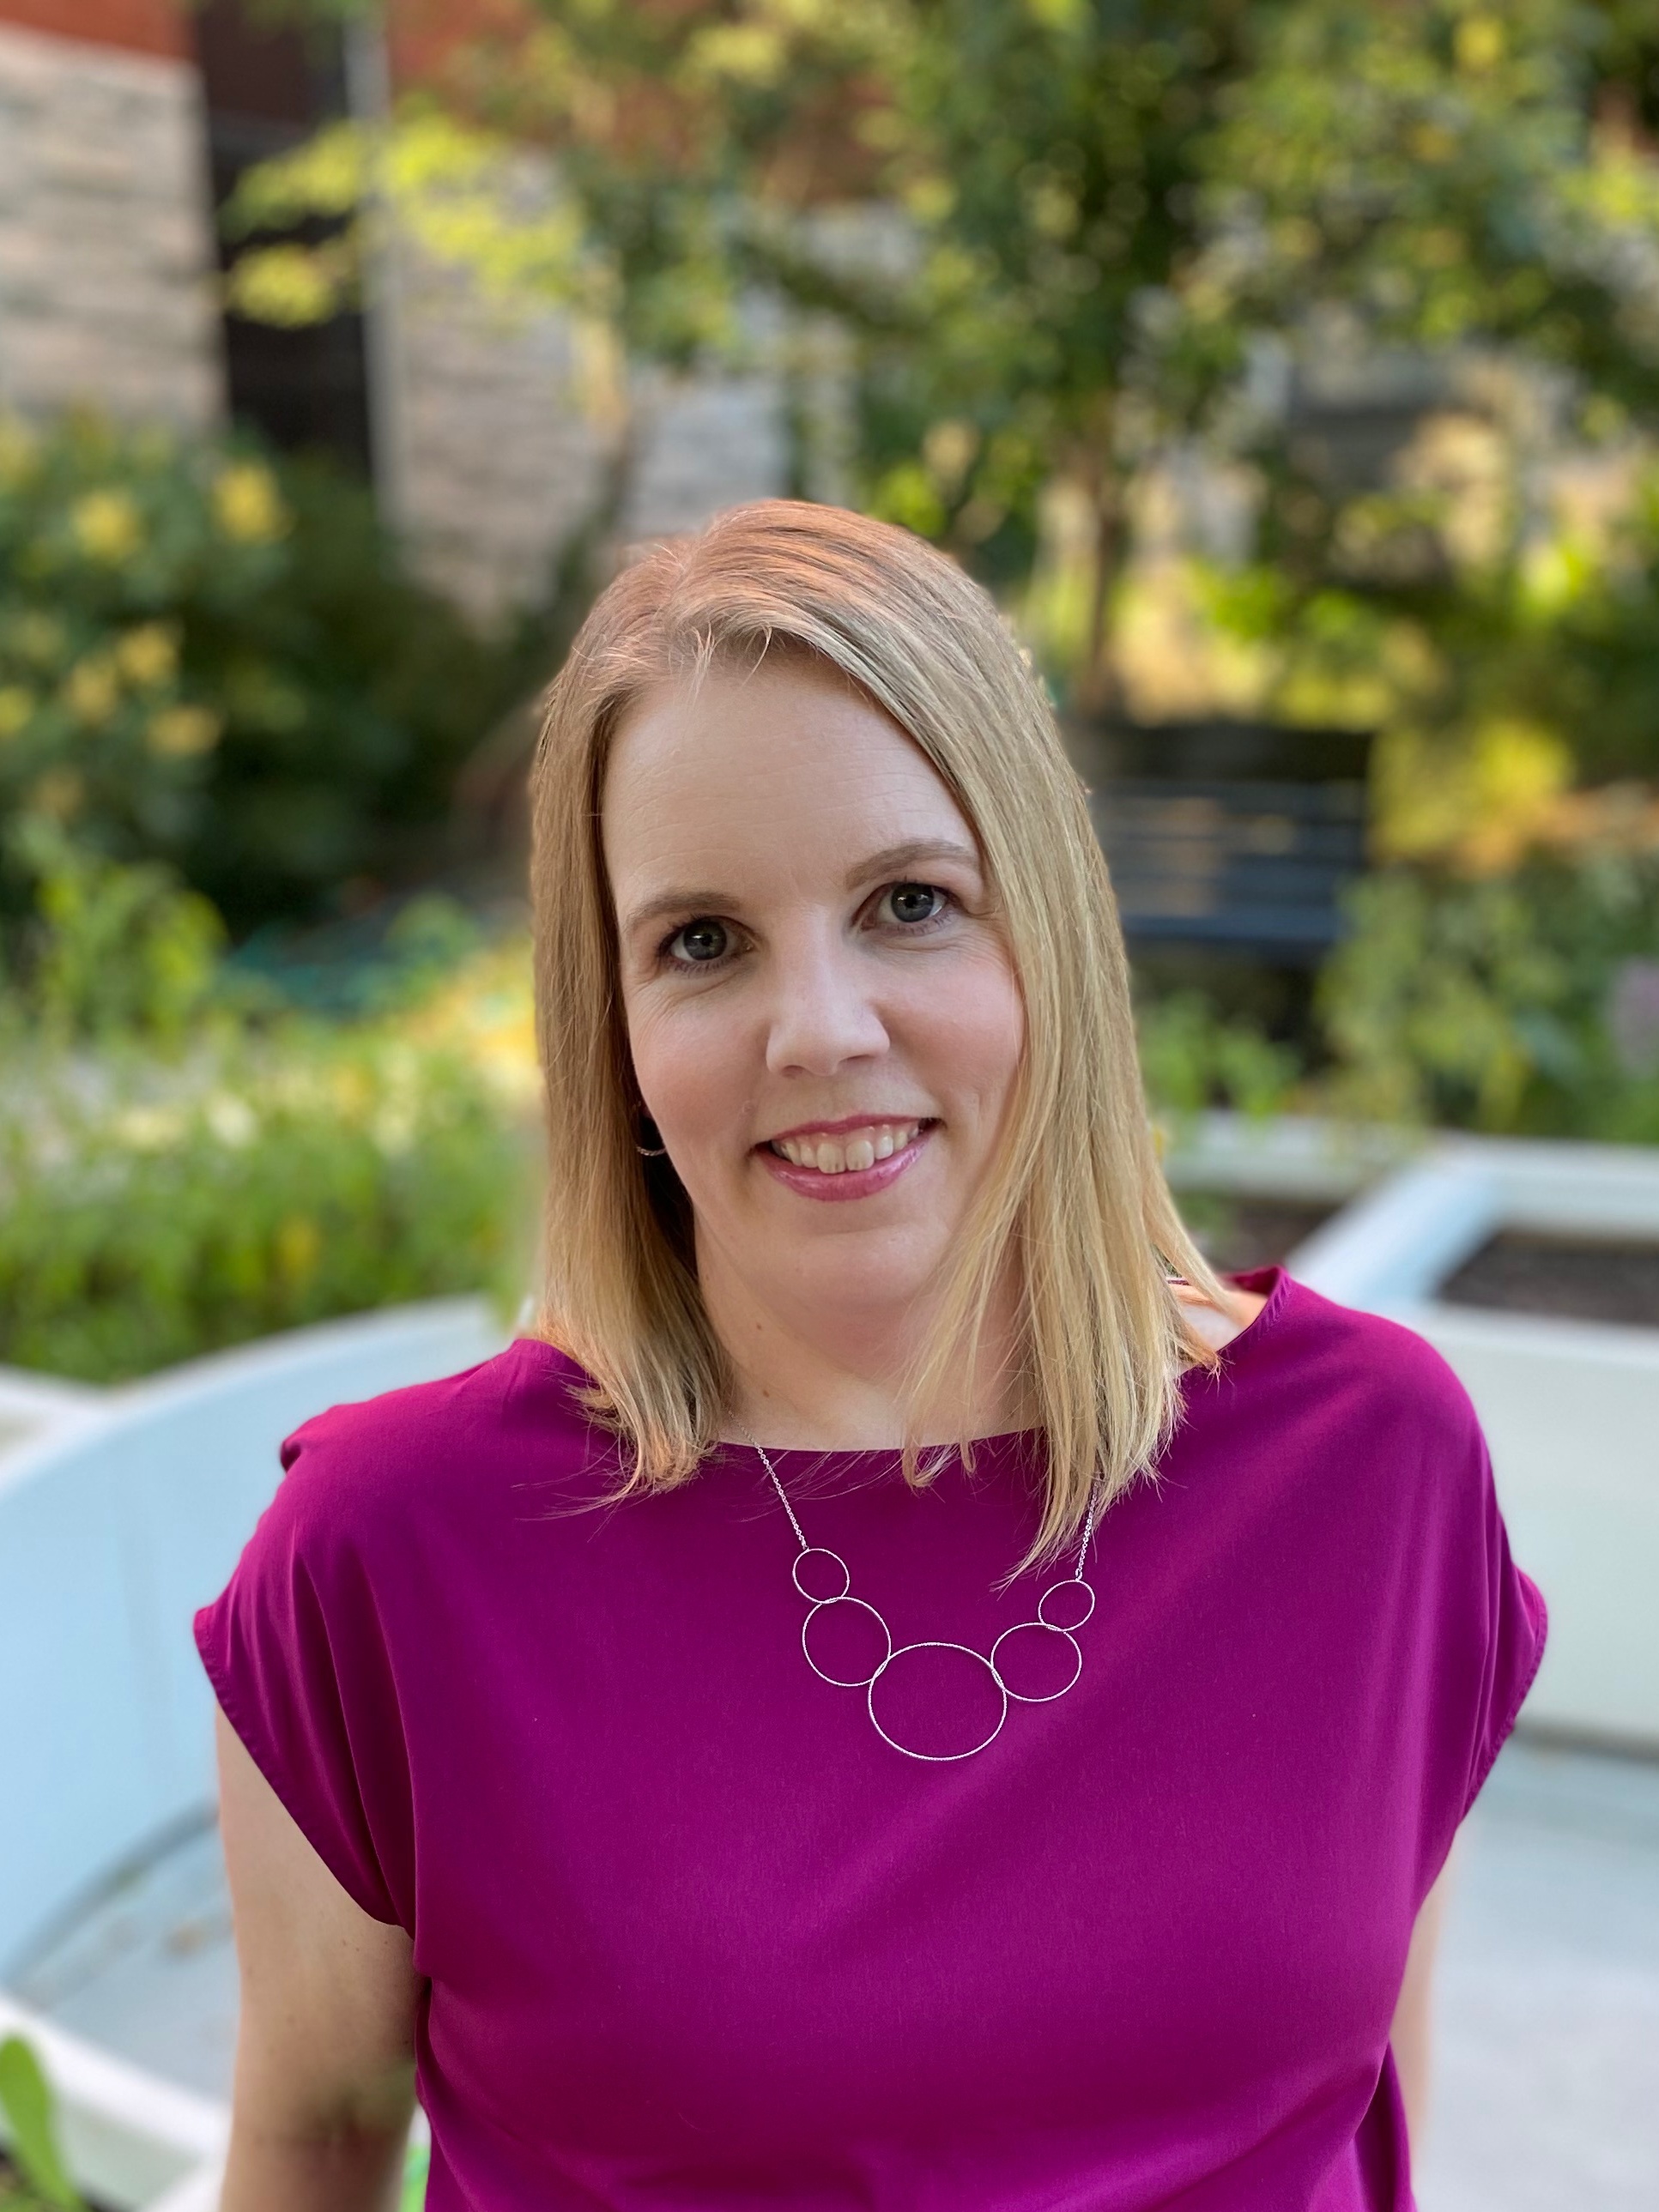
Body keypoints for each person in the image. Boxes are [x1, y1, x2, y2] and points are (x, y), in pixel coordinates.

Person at [197, 501, 1546, 2212]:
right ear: (609, 1021)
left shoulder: (1368, 1463)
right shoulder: (390, 1551)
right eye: (702, 940)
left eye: (909, 902)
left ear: (1043, 930)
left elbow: (1353, 2114)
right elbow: (312, 2141)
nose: (821, 1029)